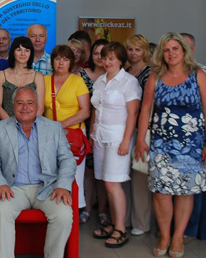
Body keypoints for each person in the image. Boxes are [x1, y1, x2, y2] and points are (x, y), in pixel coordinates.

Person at [135, 33, 206, 258]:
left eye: (175, 49)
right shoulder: (155, 77)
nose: (171, 53)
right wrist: (140, 139)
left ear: (184, 51)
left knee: (185, 192)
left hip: (192, 146)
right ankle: (164, 235)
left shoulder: (198, 75)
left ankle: (178, 236)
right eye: (166, 49)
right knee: (161, 193)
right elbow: (146, 109)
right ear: (162, 53)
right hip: (162, 145)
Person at [0, 86, 76, 258]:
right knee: (2, 212)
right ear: (13, 105)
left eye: (30, 103)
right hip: (13, 188)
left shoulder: (53, 128)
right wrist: (0, 183)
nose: (25, 107)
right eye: (20, 103)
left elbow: (67, 159)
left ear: (37, 105)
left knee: (63, 215)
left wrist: (63, 185)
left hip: (47, 188)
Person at [90, 42, 141, 248]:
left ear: (120, 60)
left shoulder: (129, 82)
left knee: (113, 183)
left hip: (118, 138)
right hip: (100, 137)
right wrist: (91, 134)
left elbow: (133, 113)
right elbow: (96, 110)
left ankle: (121, 229)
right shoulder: (100, 81)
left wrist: (127, 140)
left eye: (111, 58)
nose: (107, 62)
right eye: (105, 58)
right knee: (105, 182)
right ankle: (113, 223)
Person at [180, 32, 206, 244]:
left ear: (193, 50)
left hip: (197, 138)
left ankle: (189, 230)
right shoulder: (165, 74)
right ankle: (173, 229)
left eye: (184, 47)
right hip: (172, 139)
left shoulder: (204, 73)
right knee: (173, 186)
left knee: (193, 186)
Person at [43, 45, 90, 212]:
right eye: (57, 58)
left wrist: (62, 124)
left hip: (72, 133)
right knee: (52, 172)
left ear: (71, 62)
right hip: (49, 134)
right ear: (52, 61)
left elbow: (85, 111)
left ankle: (75, 210)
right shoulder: (45, 80)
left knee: (74, 173)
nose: (61, 63)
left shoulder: (77, 81)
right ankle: (56, 210)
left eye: (65, 59)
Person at [124, 34, 153, 236]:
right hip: (124, 128)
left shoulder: (150, 73)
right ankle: (124, 219)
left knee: (140, 176)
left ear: (145, 51)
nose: (133, 53)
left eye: (138, 49)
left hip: (141, 129)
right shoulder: (124, 71)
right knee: (123, 176)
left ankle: (141, 223)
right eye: (130, 49)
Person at [79, 39, 110, 226]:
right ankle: (88, 208)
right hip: (85, 127)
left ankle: (103, 210)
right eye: (96, 53)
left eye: (103, 54)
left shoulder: (113, 75)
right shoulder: (83, 74)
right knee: (88, 171)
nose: (99, 57)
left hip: (106, 128)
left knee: (103, 173)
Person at [0, 36, 45, 119]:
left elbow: (40, 107)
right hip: (7, 123)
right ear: (13, 52)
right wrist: (11, 124)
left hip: (32, 124)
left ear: (31, 53)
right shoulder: (1, 75)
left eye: (27, 50)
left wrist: (30, 124)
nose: (23, 54)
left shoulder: (38, 77)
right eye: (19, 50)